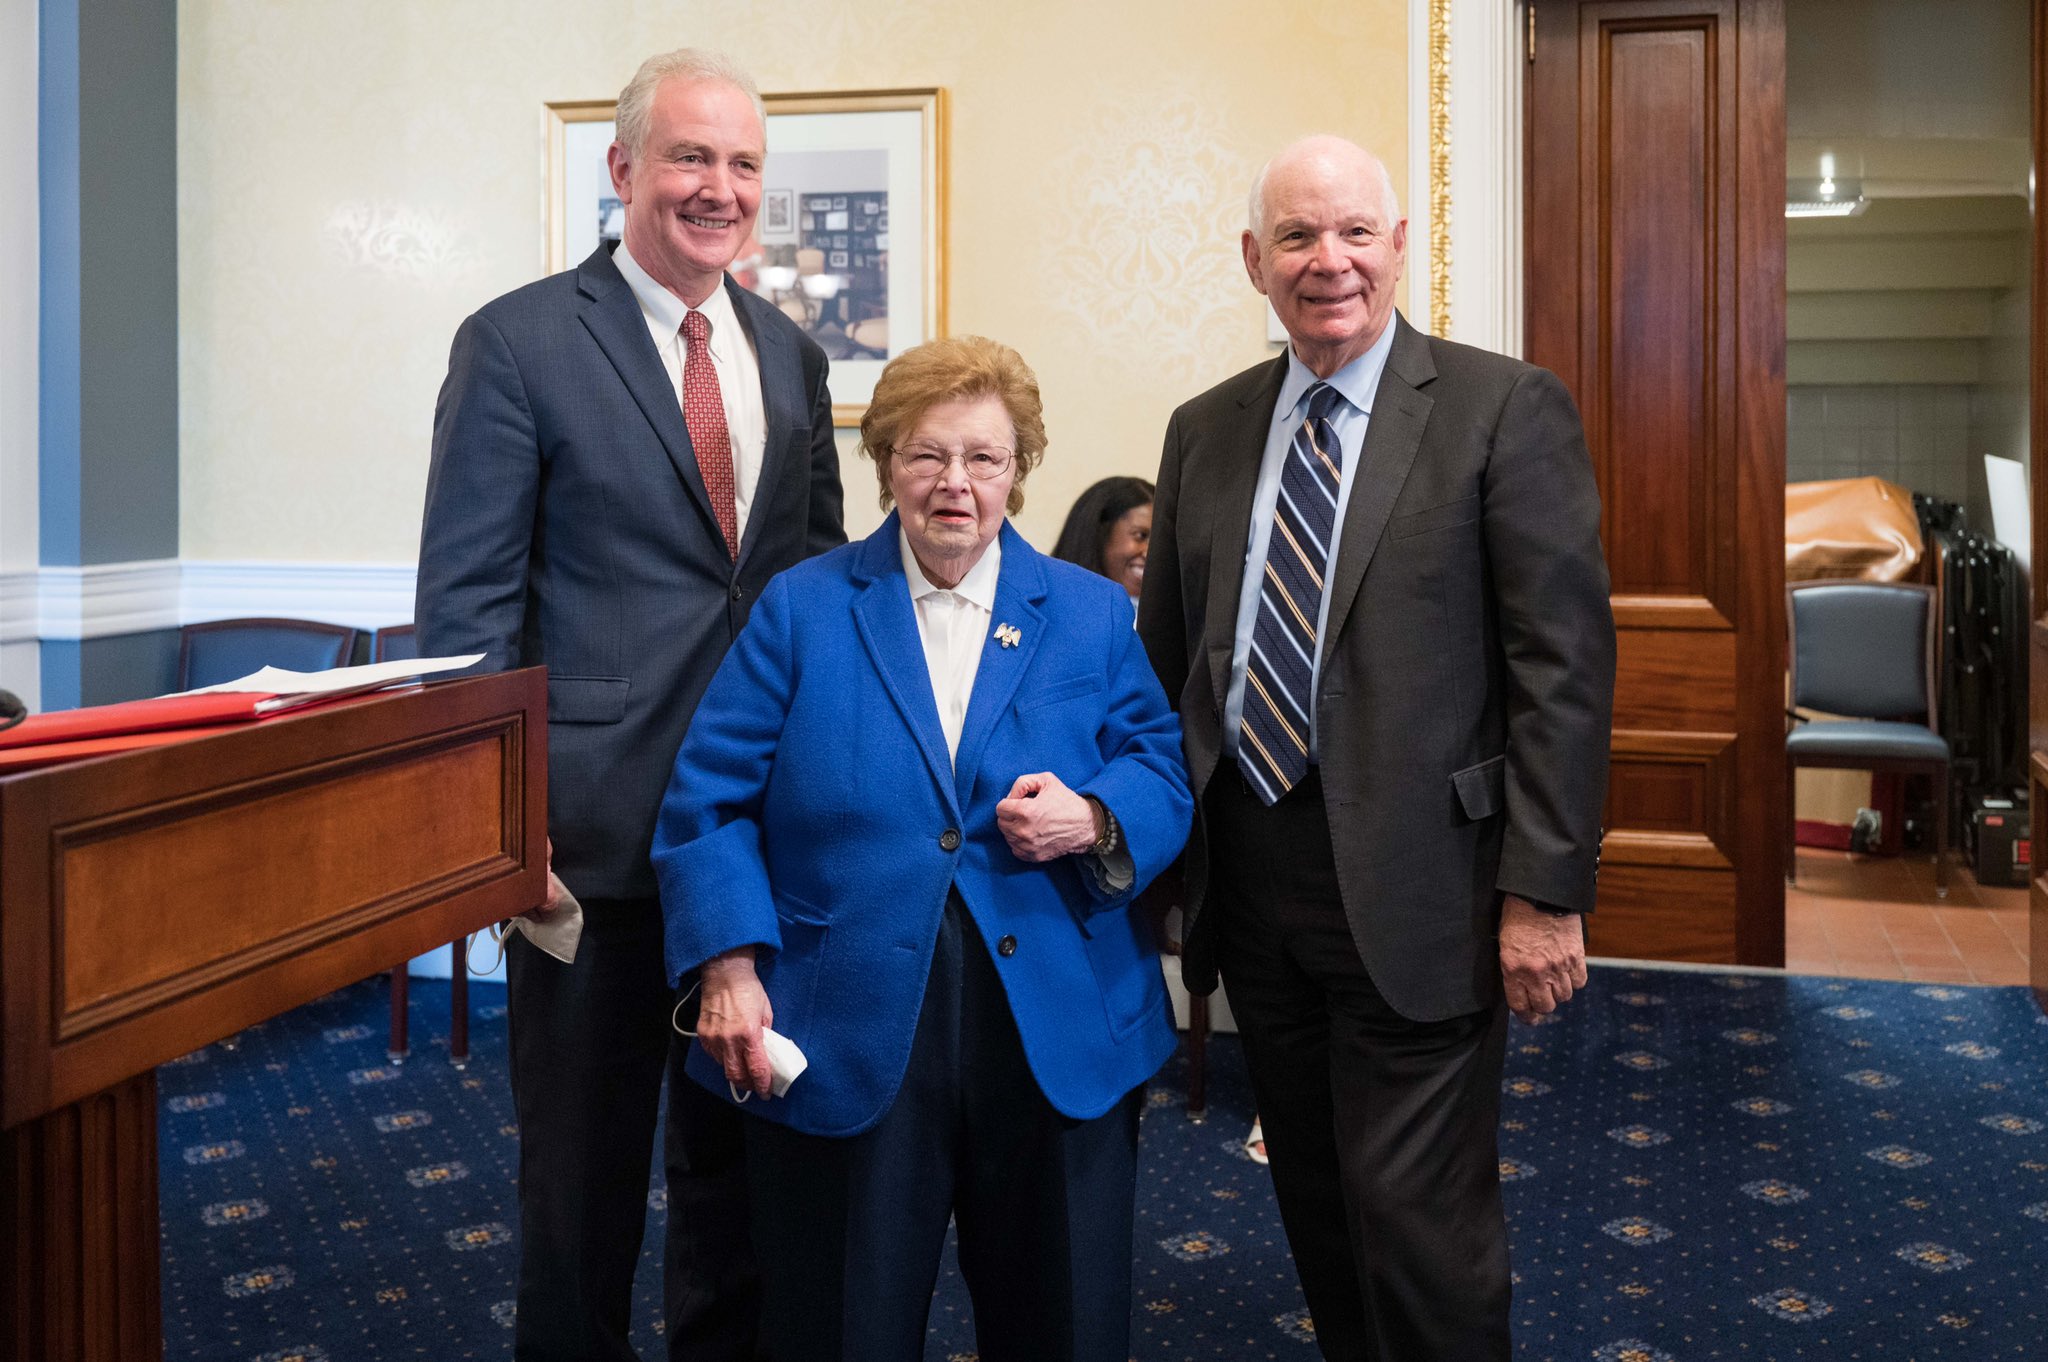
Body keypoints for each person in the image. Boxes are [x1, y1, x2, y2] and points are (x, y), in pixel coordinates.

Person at [1137, 135, 1615, 1361]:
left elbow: (1559, 673)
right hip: (1252, 877)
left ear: (1400, 248)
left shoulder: (1499, 407)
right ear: (1254, 260)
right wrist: (1155, 866)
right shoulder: (1204, 429)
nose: (1328, 261)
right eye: (1296, 237)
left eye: (1355, 233)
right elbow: (1171, 660)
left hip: (1429, 888)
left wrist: (1542, 892)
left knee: (1418, 1220)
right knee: (1312, 1191)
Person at [414, 47, 843, 1362]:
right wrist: (498, 830)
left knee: (740, 1183)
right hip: (585, 853)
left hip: (756, 845)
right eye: (690, 158)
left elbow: (815, 591)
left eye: (743, 165)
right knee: (580, 1193)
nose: (719, 187)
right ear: (624, 171)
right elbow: (468, 617)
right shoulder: (519, 341)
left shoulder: (791, 354)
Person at [651, 336, 1193, 1362]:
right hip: (844, 1014)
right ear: (885, 464)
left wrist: (1095, 815)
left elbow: (1160, 770)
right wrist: (727, 965)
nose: (955, 484)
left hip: (1056, 1019)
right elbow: (705, 804)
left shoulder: (1085, 611)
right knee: (841, 1323)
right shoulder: (802, 609)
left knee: (1063, 1322)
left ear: (1017, 471)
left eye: (983, 459)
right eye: (925, 456)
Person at [1050, 475, 1153, 603]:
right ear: (1098, 534)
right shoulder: (1050, 606)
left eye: (1158, 542)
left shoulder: (1169, 616)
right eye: (1141, 536)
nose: (1151, 552)